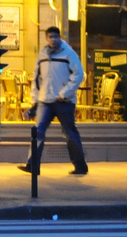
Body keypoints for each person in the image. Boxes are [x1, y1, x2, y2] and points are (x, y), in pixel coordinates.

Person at [20, 25, 88, 176]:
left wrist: (64, 93)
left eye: (55, 37)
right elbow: (37, 77)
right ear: (46, 38)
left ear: (59, 37)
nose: (52, 40)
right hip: (46, 100)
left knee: (70, 133)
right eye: (50, 37)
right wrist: (35, 99)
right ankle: (32, 165)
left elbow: (79, 75)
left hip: (64, 101)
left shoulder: (68, 53)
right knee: (38, 132)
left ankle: (80, 165)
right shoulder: (43, 54)